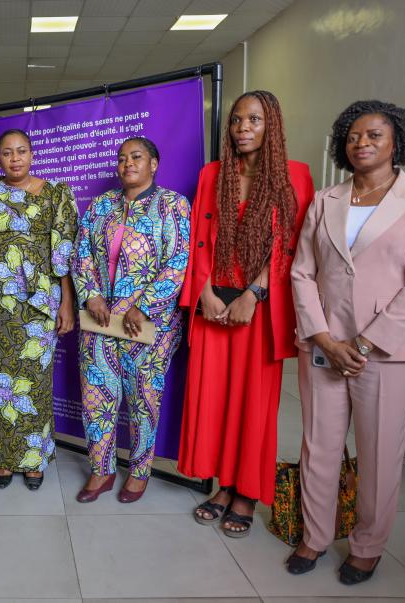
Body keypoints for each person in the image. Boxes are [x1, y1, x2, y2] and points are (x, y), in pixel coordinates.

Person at [288, 100, 405, 584]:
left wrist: (362, 344)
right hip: (323, 344)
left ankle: (368, 544)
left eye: (374, 135)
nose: (362, 143)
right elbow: (302, 272)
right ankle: (316, 535)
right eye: (354, 136)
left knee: (379, 453)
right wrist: (323, 336)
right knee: (320, 445)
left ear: (397, 141)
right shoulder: (326, 200)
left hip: (386, 351)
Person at [177, 91, 315, 537]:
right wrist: (203, 292)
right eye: (237, 120)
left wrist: (253, 295)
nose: (242, 128)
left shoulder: (295, 176)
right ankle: (222, 485)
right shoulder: (212, 174)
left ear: (270, 124)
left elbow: (292, 247)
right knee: (213, 401)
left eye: (253, 120)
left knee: (253, 404)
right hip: (213, 306)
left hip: (258, 309)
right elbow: (197, 236)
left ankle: (246, 493)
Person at [0, 128, 78, 490]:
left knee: (36, 383)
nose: (15, 158)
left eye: (22, 151)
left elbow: (63, 256)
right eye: (7, 153)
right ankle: (4, 457)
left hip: (41, 302)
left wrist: (67, 303)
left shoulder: (56, 194)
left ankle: (34, 457)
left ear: (32, 154)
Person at [72, 137, 190, 503]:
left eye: (136, 157)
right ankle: (102, 469)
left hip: (149, 326)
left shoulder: (172, 205)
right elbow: (82, 254)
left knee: (143, 402)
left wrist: (146, 305)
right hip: (100, 322)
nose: (127, 164)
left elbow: (178, 263)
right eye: (122, 159)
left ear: (154, 163)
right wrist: (90, 294)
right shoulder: (101, 205)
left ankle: (139, 471)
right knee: (96, 398)